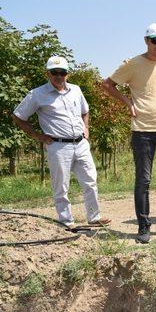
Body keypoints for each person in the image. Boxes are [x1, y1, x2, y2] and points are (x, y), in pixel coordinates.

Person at [102, 23, 156, 243]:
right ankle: (144, 226)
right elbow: (108, 84)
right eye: (155, 41)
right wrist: (127, 102)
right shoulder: (133, 64)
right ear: (146, 41)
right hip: (143, 131)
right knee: (143, 180)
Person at [13, 56, 110, 228]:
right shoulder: (37, 94)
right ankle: (66, 221)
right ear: (47, 74)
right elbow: (19, 117)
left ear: (68, 74)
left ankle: (94, 217)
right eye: (54, 72)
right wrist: (38, 136)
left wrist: (86, 127)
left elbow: (85, 111)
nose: (59, 76)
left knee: (90, 180)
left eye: (62, 72)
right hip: (58, 146)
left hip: (81, 143)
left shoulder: (76, 90)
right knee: (61, 185)